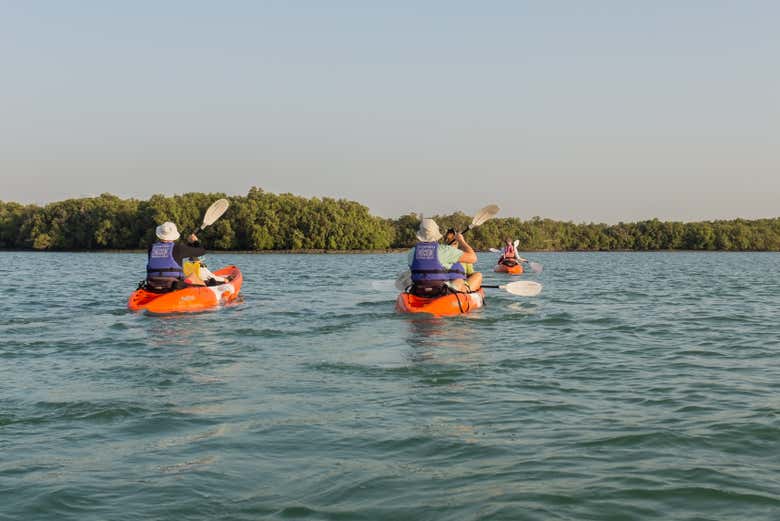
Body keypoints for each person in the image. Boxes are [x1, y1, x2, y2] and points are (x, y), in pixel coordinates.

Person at [407, 218, 482, 296]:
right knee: (464, 279)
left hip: (419, 291)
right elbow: (473, 258)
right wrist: (461, 240)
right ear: (436, 234)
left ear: (420, 235)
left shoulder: (412, 252)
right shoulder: (444, 250)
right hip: (441, 291)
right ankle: (466, 292)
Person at [145, 222, 207, 291]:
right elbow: (202, 251)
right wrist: (195, 241)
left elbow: (170, 254)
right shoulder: (178, 248)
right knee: (193, 276)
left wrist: (189, 244)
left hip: (152, 285)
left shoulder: (151, 248)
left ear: (160, 235)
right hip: (173, 286)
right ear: (174, 235)